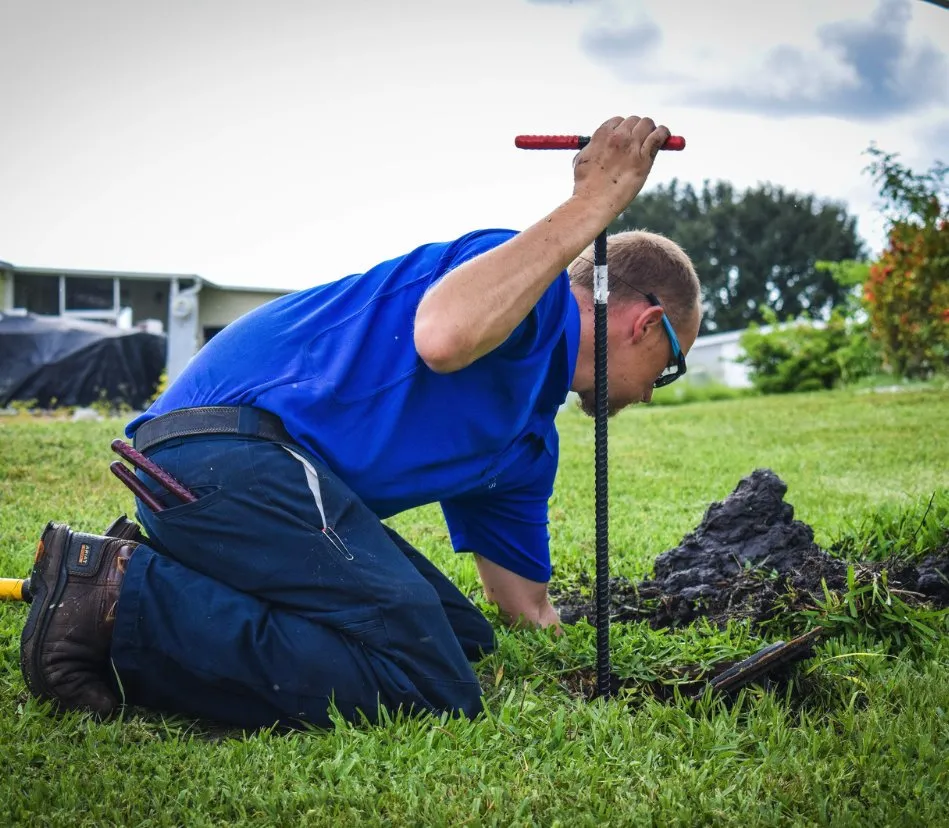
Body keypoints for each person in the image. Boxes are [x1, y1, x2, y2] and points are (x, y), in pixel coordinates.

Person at [20, 115, 703, 728]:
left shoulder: (524, 445)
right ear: (646, 325)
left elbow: (524, 609)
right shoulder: (528, 295)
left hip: (242, 496)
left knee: (461, 642)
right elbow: (444, 336)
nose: (650, 394)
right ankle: (110, 595)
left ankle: (180, 587)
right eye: (669, 367)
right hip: (216, 453)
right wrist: (592, 202)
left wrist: (600, 662)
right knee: (431, 686)